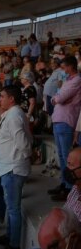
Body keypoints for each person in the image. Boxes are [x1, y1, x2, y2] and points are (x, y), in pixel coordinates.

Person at [0, 85, 32, 249]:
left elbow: (24, 145)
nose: (0, 99)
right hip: (10, 167)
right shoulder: (14, 114)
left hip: (13, 168)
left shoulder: (14, 116)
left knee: (13, 209)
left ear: (11, 99)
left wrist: (19, 159)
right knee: (11, 206)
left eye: (3, 96)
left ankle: (14, 246)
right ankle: (9, 237)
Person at [52, 56, 81, 199]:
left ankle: (70, 189)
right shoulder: (68, 80)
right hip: (58, 119)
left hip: (66, 120)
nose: (63, 70)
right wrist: (57, 97)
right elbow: (57, 96)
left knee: (67, 157)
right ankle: (64, 184)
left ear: (71, 66)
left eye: (64, 67)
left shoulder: (76, 80)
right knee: (61, 156)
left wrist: (57, 98)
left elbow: (60, 98)